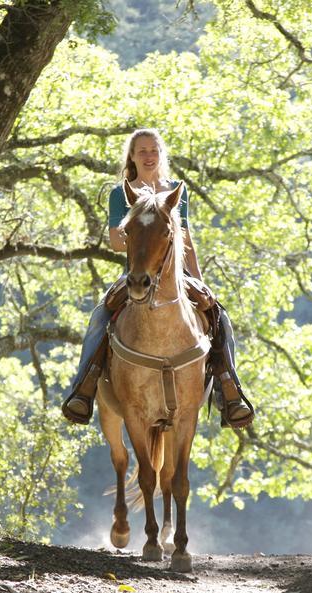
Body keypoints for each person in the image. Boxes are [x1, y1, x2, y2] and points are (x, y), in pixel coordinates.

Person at [61, 128, 254, 428]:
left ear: (161, 155)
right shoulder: (120, 193)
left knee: (220, 317)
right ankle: (83, 388)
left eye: (154, 150)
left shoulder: (176, 190)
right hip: (137, 273)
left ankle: (229, 391)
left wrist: (200, 280)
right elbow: (115, 242)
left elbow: (186, 238)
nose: (148, 156)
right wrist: (143, 237)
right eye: (142, 151)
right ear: (132, 157)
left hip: (176, 274)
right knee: (100, 316)